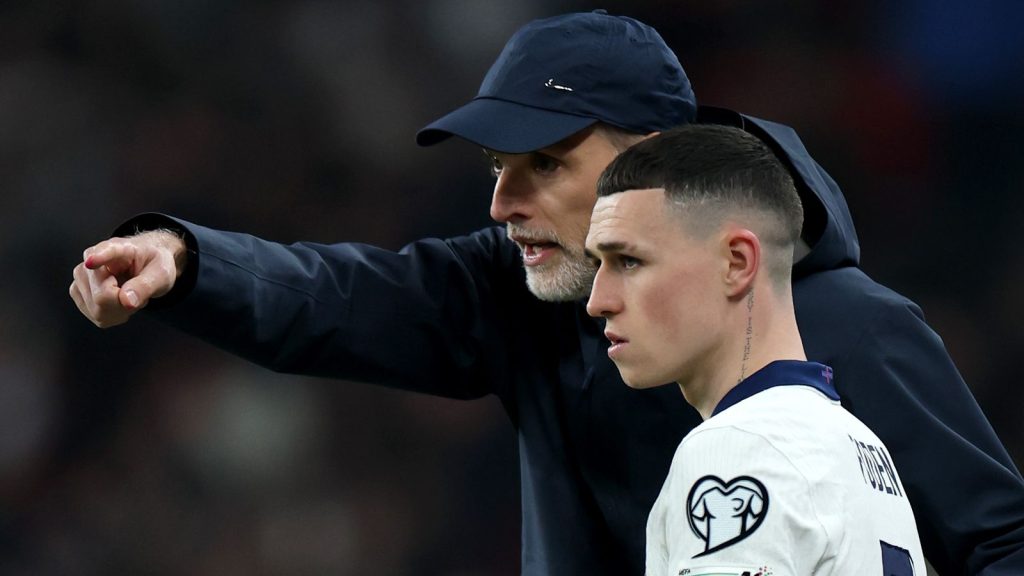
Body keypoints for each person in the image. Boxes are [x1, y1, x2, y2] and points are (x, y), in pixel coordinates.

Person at [68, 10, 1024, 576]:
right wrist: (188, 261)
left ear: (654, 159)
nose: (502, 202)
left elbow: (998, 538)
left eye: (546, 163)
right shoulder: (522, 293)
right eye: (496, 165)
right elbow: (343, 297)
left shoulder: (851, 327)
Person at [586, 123, 925, 574]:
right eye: (598, 264)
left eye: (629, 260)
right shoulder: (863, 448)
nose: (597, 301)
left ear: (737, 262)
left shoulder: (737, 448)